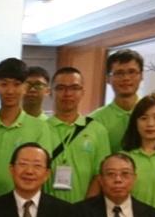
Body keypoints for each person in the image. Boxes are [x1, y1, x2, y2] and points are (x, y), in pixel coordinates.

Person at [0, 58, 55, 200]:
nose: (10, 90)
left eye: (17, 84)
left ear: (25, 88)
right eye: (4, 84)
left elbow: (41, 172)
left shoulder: (40, 128)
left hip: (23, 206)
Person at [45, 67, 110, 203]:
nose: (68, 93)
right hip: (46, 210)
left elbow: (100, 174)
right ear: (51, 92)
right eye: (61, 88)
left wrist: (85, 209)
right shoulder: (40, 129)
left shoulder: (97, 130)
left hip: (84, 210)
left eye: (74, 88)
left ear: (82, 92)